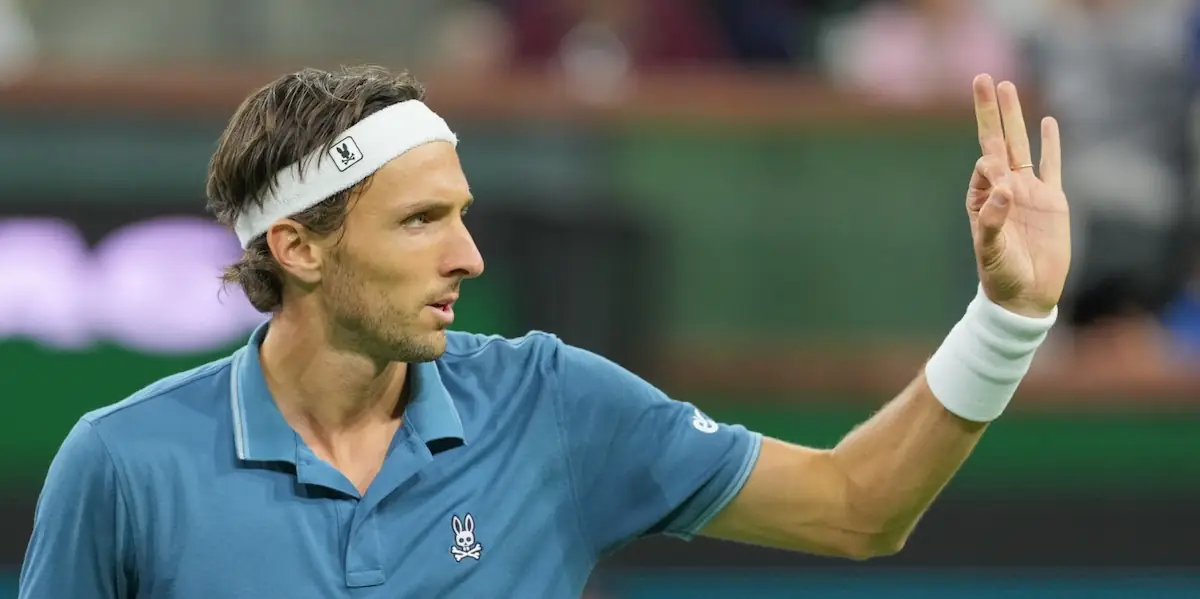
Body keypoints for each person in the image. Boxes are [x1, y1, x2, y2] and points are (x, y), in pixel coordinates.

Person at [17, 66, 1069, 598]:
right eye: (422, 221)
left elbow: (857, 507)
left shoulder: (554, 404)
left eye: (463, 213)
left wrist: (1007, 318)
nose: (469, 255)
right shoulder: (121, 465)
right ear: (298, 248)